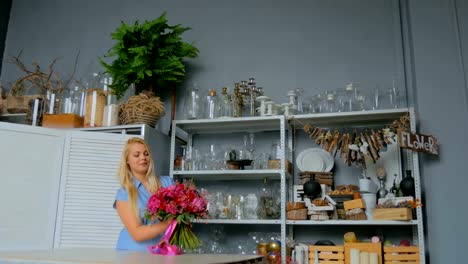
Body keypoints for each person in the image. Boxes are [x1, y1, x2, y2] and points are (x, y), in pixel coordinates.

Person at [113, 137, 174, 251]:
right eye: (136, 155)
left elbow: (184, 217)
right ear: (127, 160)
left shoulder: (167, 182)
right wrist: (170, 223)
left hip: (166, 251)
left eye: (146, 154)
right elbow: (138, 234)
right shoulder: (124, 193)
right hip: (133, 254)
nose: (143, 158)